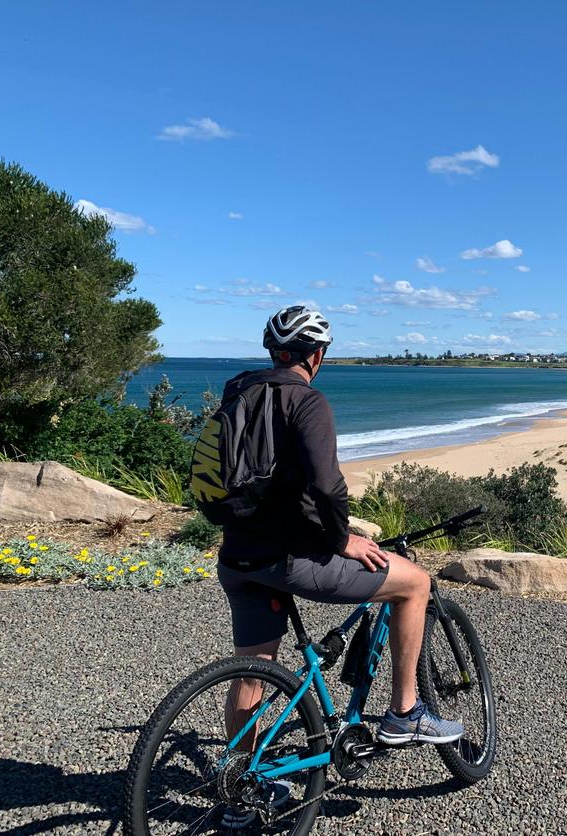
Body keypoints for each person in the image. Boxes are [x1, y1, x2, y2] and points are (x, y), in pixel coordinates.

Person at [216, 306, 462, 828]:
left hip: (237, 556)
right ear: (317, 355)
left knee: (255, 672)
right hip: (291, 560)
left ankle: (240, 783)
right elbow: (327, 487)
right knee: (415, 583)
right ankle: (403, 714)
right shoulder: (307, 401)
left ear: (272, 352)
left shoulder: (238, 390)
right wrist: (342, 540)